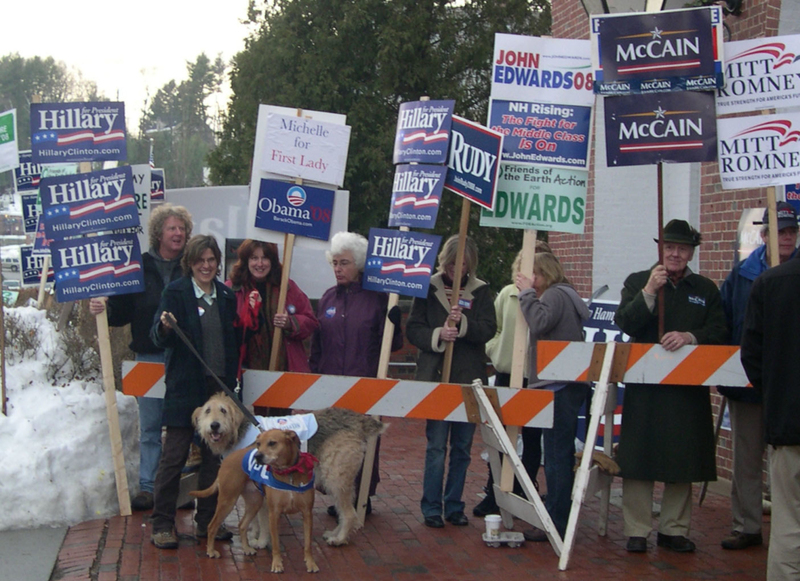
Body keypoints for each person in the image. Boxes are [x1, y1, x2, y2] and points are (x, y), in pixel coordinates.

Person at [615, 219, 727, 553]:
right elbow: (627, 323)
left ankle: (673, 529)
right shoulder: (638, 281)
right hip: (645, 388)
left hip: (686, 390)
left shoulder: (705, 289)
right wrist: (650, 291)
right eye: (669, 247)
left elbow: (720, 330)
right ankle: (637, 529)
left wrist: (692, 337)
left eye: (682, 248)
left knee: (683, 457)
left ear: (691, 252)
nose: (675, 254)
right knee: (639, 457)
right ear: (660, 249)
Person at [88, 203, 193, 511]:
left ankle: (178, 485)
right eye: (172, 228)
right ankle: (148, 486)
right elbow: (120, 313)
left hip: (184, 358)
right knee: (150, 426)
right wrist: (103, 308)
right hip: (149, 355)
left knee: (183, 424)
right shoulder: (138, 266)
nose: (178, 233)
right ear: (158, 233)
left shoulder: (191, 266)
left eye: (182, 228)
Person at [148, 235, 240, 549]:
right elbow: (157, 337)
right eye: (200, 260)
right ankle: (162, 525)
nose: (206, 265)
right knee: (173, 459)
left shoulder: (227, 296)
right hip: (183, 389)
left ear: (217, 263)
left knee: (213, 462)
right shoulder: (174, 293)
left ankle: (207, 523)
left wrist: (231, 384)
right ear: (190, 262)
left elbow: (232, 344)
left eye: (211, 259)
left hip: (216, 393)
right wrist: (164, 328)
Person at [719, 202, 798, 551]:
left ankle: (787, 530)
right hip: (749, 383)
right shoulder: (741, 276)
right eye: (779, 230)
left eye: (791, 230)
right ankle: (747, 524)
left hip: (791, 388)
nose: (786, 236)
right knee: (747, 458)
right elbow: (726, 323)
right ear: (764, 235)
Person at [406, 235, 496, 528]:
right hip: (436, 377)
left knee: (462, 447)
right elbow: (413, 329)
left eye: (464, 264)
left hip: (469, 377)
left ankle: (454, 504)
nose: (457, 269)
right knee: (435, 447)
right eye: (453, 262)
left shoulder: (481, 291)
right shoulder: (427, 288)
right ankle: (431, 507)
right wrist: (439, 335)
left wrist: (464, 326)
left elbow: (488, 329)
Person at [309, 231, 403, 514]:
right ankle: (338, 493)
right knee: (333, 442)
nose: (338, 269)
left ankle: (362, 495)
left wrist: (395, 324)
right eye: (335, 263)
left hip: (365, 384)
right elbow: (317, 343)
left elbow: (393, 345)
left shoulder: (378, 299)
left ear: (359, 264)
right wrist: (315, 376)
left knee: (362, 441)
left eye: (344, 263)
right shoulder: (327, 299)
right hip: (331, 383)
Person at [516, 252, 591, 541]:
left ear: (544, 274)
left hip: (557, 384)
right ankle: (559, 516)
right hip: (568, 384)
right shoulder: (568, 294)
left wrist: (526, 295)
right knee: (560, 453)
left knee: (557, 457)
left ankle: (557, 522)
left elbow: (540, 323)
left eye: (533, 275)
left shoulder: (553, 296)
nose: (529, 280)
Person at [475, 240, 552, 518]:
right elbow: (493, 328)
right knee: (500, 435)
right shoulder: (507, 294)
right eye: (522, 266)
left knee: (532, 439)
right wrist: (495, 351)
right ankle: (494, 490)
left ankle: (523, 489)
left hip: (536, 378)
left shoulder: (550, 298)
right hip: (507, 373)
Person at [741, 243, 800, 580]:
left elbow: (751, 355)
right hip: (785, 420)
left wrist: (775, 394)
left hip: (787, 422)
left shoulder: (770, 283)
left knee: (788, 524)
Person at [227, 239, 317, 414]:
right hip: (244, 369)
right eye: (254, 258)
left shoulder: (287, 287)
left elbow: (310, 320)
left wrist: (290, 322)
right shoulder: (232, 289)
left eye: (265, 258)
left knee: (279, 423)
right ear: (246, 260)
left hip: (281, 369)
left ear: (273, 261)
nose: (259, 264)